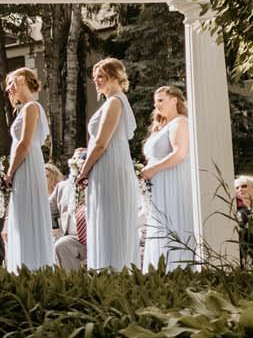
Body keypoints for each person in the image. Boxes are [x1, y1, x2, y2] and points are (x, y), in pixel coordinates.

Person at [81, 57, 141, 270]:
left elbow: (100, 143)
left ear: (115, 77)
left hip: (110, 166)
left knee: (110, 220)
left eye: (102, 76)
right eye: (95, 77)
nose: (96, 81)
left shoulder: (115, 102)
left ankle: (113, 268)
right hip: (107, 165)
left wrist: (83, 171)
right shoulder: (113, 101)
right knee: (105, 220)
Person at [2, 67, 57, 273]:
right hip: (24, 165)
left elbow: (24, 144)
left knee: (28, 215)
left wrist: (9, 172)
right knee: (22, 216)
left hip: (27, 164)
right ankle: (22, 265)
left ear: (22, 79)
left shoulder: (32, 107)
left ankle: (34, 266)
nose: (8, 89)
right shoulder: (23, 108)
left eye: (11, 83)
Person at [140, 84, 197, 270]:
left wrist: (153, 169)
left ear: (175, 100)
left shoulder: (180, 123)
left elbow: (180, 154)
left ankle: (177, 268)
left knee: (172, 225)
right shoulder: (163, 126)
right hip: (160, 185)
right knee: (160, 227)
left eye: (161, 100)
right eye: (155, 102)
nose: (157, 105)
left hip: (173, 183)